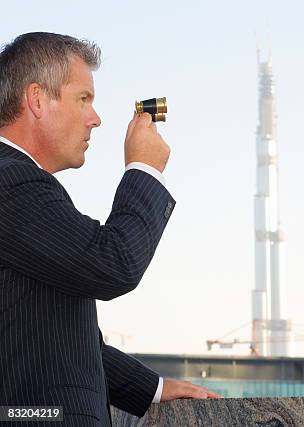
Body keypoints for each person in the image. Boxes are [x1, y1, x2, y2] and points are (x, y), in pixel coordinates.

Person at [0, 32, 220, 426]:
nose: (95, 118)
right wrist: (144, 169)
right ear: (37, 100)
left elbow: (49, 336)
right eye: (83, 98)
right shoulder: (11, 182)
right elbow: (113, 262)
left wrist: (150, 387)